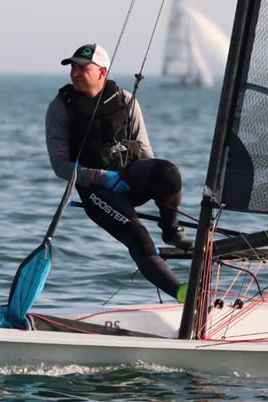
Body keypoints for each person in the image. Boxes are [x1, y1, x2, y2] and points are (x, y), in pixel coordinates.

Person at [45, 43, 193, 301]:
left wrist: (143, 181)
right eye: (73, 67)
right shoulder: (60, 108)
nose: (75, 73)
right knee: (139, 238)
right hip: (98, 192)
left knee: (168, 173)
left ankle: (170, 230)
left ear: (102, 72)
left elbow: (146, 154)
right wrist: (102, 177)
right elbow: (60, 165)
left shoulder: (126, 100)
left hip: (129, 178)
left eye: (82, 68)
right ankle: (183, 293)